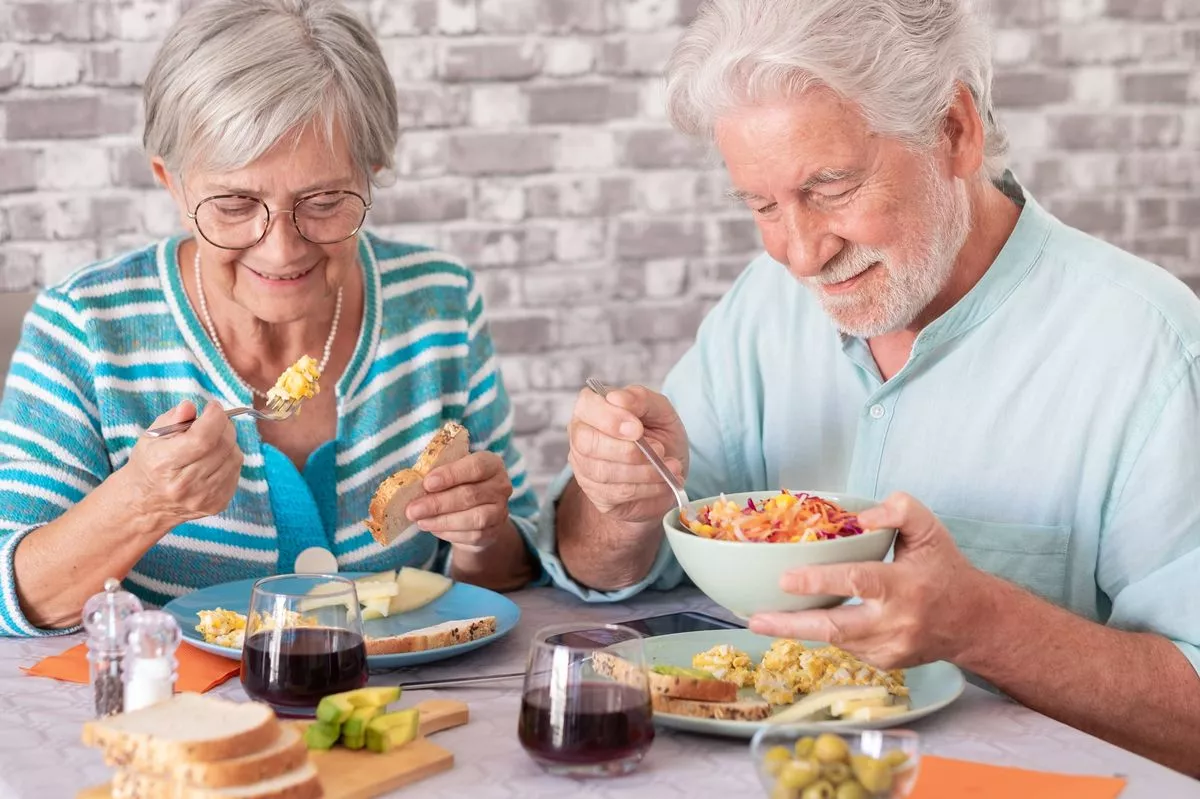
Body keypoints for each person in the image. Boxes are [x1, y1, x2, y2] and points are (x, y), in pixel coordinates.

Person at [538, 0, 1200, 775]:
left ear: (955, 130)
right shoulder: (764, 304)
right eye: (761, 205)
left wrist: (985, 624)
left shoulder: (1150, 347)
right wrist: (619, 508)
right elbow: (604, 567)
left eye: (830, 187)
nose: (800, 253)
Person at [0, 0, 539, 636]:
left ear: (373, 175)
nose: (282, 248)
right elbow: (13, 599)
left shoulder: (439, 302)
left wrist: (482, 534)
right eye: (233, 204)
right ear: (171, 184)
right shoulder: (83, 328)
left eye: (325, 200)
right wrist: (142, 501)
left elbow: (511, 568)